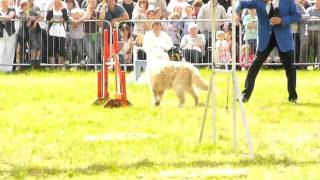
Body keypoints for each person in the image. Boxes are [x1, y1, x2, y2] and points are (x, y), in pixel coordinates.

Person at [235, 0, 301, 103]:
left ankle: (293, 98)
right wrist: (236, 12)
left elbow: (297, 15)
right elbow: (241, 3)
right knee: (255, 66)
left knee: (290, 68)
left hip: (284, 39)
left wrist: (282, 20)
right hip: (265, 38)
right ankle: (245, 95)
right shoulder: (257, 1)